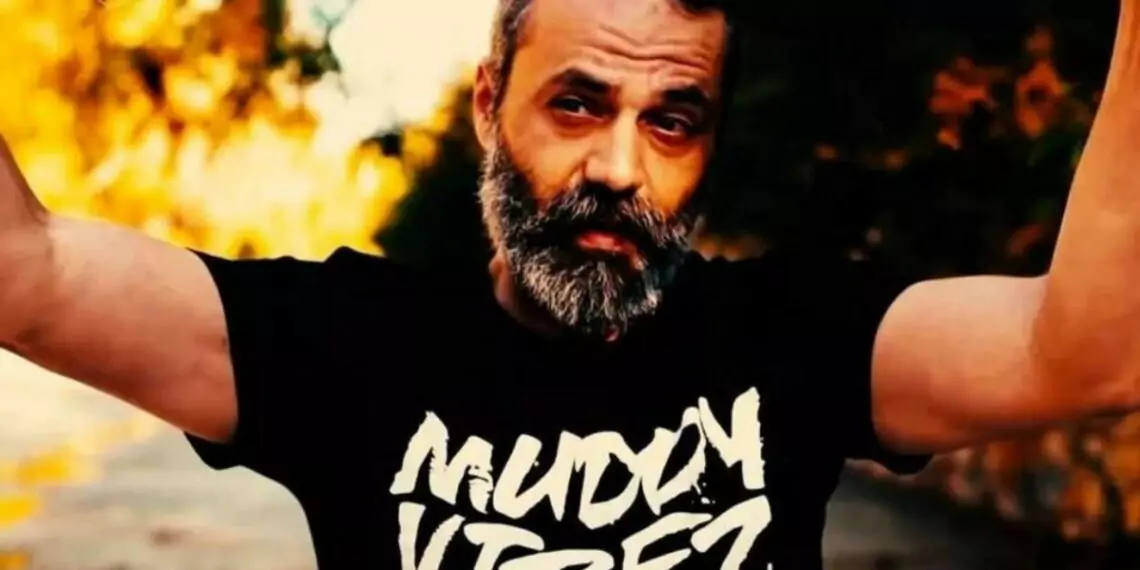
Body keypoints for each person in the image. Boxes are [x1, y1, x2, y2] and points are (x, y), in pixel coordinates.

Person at [1, 0, 1139, 567]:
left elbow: (1093, 352)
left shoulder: (793, 338)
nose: (618, 169)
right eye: (578, 104)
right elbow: (25, 272)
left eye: (673, 121)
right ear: (489, 104)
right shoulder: (350, 346)